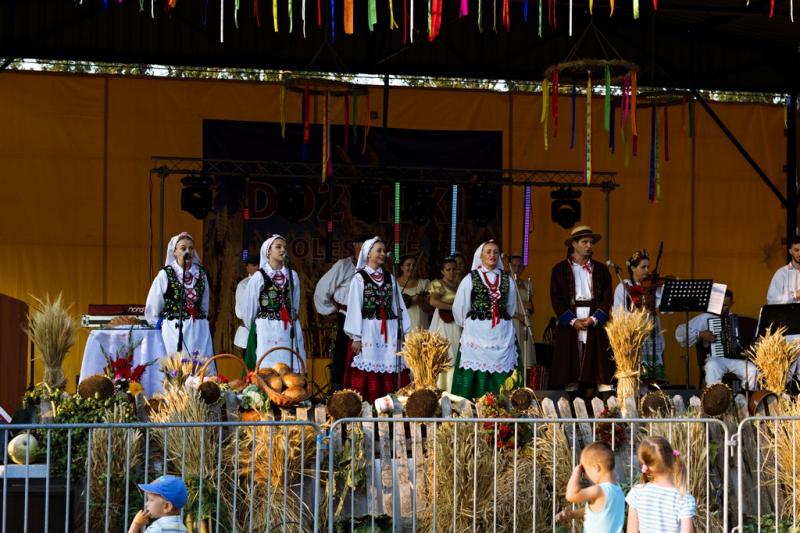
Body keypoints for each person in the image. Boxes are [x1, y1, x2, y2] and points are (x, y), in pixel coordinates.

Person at [343, 236, 412, 403]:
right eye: (378, 250)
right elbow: (354, 307)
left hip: (389, 330)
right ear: (368, 253)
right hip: (369, 330)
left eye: (383, 250)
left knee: (390, 365)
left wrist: (404, 332)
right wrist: (356, 336)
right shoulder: (359, 278)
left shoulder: (390, 278)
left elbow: (398, 305)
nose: (382, 253)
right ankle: (369, 406)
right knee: (370, 364)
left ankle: (392, 407)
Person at [549, 225, 614, 399]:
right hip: (570, 325)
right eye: (585, 242)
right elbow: (556, 299)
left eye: (591, 242)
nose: (589, 246)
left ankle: (608, 411)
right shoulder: (559, 270)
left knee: (602, 369)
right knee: (571, 369)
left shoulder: (601, 270)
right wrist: (572, 321)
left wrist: (595, 318)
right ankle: (573, 411)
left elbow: (607, 298)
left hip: (595, 324)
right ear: (574, 244)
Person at [451, 240, 519, 399]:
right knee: (475, 368)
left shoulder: (507, 279)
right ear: (480, 256)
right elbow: (460, 306)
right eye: (488, 252)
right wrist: (470, 324)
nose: (492, 255)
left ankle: (502, 405)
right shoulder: (470, 278)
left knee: (503, 368)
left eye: (495, 252)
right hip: (477, 332)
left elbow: (510, 306)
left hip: (501, 332)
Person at [241, 234, 306, 371]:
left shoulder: (292, 275)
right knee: (267, 366)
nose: (283, 250)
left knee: (289, 364)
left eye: (284, 248)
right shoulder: (259, 276)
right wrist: (257, 326)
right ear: (268, 251)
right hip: (266, 328)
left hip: (287, 327)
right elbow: (249, 308)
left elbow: (295, 303)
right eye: (278, 247)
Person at [145, 232, 214, 357]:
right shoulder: (165, 274)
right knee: (176, 365)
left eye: (191, 248)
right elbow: (153, 307)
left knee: (200, 364)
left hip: (199, 330)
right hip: (173, 331)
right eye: (183, 248)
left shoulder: (201, 274)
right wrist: (161, 327)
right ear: (174, 252)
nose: (188, 251)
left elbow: (205, 304)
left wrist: (201, 322)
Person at [314, 235, 367, 392]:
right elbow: (322, 289)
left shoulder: (373, 270)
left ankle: (361, 389)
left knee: (365, 354)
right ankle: (338, 389)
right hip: (346, 315)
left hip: (368, 319)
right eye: (363, 246)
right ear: (355, 245)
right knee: (343, 353)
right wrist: (330, 310)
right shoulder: (343, 265)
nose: (366, 250)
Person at [675, 289, 758, 390]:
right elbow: (680, 332)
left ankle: (746, 398)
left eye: (725, 305)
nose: (722, 308)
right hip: (716, 359)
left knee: (752, 370)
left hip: (736, 360)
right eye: (720, 304)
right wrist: (700, 334)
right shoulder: (705, 318)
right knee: (712, 366)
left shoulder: (736, 320)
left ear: (732, 304)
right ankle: (714, 397)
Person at [613, 249, 665, 381]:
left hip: (652, 331)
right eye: (643, 267)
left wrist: (666, 292)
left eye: (648, 267)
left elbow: (666, 310)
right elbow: (618, 313)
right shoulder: (623, 286)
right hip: (633, 332)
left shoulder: (653, 286)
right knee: (636, 372)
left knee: (653, 375)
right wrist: (636, 316)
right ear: (632, 268)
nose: (647, 270)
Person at [626, 436, 696, 533]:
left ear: (646, 465)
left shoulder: (637, 492)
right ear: (672, 458)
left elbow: (631, 531)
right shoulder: (684, 498)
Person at [556, 442, 625, 533]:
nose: (585, 476)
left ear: (596, 468)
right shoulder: (618, 490)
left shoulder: (599, 490)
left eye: (585, 470)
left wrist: (576, 472)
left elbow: (570, 496)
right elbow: (597, 510)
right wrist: (572, 514)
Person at [428, 256, 462, 391]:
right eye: (448, 270)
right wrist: (453, 308)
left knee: (457, 349)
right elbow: (433, 301)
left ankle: (455, 387)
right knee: (446, 352)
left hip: (457, 323)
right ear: (442, 271)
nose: (452, 272)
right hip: (443, 322)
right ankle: (442, 387)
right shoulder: (438, 284)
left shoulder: (460, 285)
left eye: (454, 269)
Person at [509, 254, 537, 372]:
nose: (517, 269)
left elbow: (532, 309)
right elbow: (502, 308)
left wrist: (530, 307)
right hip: (512, 322)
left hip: (525, 322)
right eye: (514, 266)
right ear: (509, 266)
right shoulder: (506, 284)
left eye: (519, 266)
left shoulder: (527, 284)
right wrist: (518, 316)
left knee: (525, 356)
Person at [233, 254, 260, 355]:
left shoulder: (268, 284)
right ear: (247, 268)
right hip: (249, 331)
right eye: (254, 265)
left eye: (259, 264)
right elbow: (243, 311)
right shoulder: (243, 285)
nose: (257, 267)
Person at [397, 254, 432, 330]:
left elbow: (430, 310)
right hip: (401, 327)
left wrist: (420, 302)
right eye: (408, 265)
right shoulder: (394, 284)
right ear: (402, 267)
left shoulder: (424, 283)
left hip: (420, 326)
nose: (412, 267)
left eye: (414, 265)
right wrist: (411, 299)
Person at [767, 236, 800, 304]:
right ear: (790, 251)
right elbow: (771, 300)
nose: (799, 253)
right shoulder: (781, 273)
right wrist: (794, 295)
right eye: (796, 250)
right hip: (789, 311)